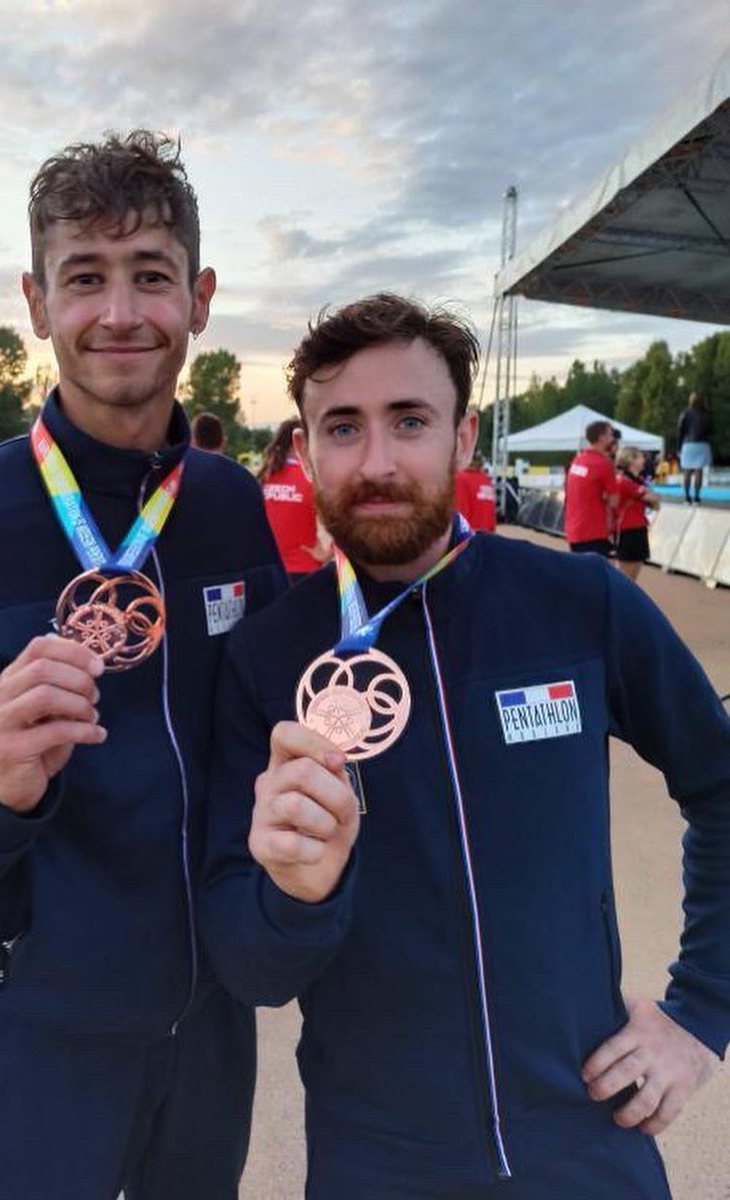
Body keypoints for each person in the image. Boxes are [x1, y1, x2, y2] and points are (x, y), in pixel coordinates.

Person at [0, 131, 285, 1200]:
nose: (120, 312)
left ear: (201, 298)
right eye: (85, 277)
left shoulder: (230, 508)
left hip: (210, 1035)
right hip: (35, 1045)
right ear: (36, 303)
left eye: (151, 275)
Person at [200, 293, 729, 1199]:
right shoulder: (266, 660)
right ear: (307, 446)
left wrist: (702, 1013)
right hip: (378, 1160)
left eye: (409, 421)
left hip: (586, 1137)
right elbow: (250, 969)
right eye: (343, 427)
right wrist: (295, 894)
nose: (376, 460)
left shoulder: (578, 604)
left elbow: (721, 784)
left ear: (463, 438)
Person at [258, 416, 331, 581]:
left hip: (268, 571)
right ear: (299, 442)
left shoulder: (264, 477)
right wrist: (328, 552)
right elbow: (342, 520)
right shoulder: (312, 478)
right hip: (304, 569)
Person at [564, 419, 618, 556]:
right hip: (593, 532)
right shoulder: (603, 465)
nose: (613, 439)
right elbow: (614, 501)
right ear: (602, 438)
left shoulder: (578, 459)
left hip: (575, 529)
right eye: (611, 435)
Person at [614, 445, 660, 583]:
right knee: (625, 578)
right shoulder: (624, 481)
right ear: (631, 460)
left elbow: (656, 503)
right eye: (640, 456)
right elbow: (653, 499)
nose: (644, 460)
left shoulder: (636, 480)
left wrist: (650, 496)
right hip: (628, 531)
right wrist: (649, 496)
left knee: (631, 578)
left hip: (638, 528)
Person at [676, 392, 712, 505]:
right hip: (703, 444)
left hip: (688, 444)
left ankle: (687, 498)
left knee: (687, 470)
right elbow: (711, 430)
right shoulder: (706, 414)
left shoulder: (685, 413)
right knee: (699, 471)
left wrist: (678, 446)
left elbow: (680, 430)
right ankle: (697, 498)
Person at [453, 446, 496, 532]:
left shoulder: (461, 479)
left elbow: (461, 514)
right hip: (487, 537)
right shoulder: (485, 479)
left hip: (469, 539)